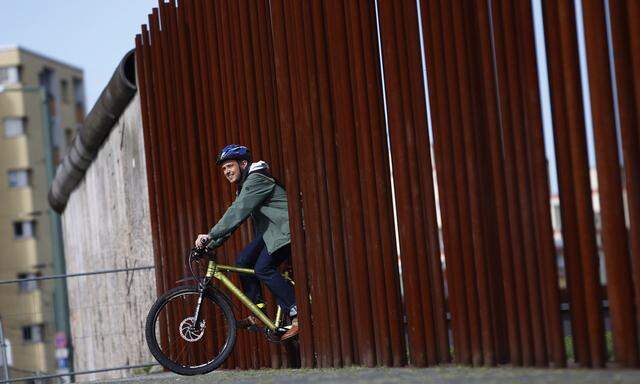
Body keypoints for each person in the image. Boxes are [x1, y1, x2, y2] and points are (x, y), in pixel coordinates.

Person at [195, 144, 298, 340]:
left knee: (263, 269)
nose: (226, 172)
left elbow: (238, 212)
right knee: (243, 261)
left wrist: (210, 234)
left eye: (230, 166)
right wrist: (211, 244)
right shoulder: (245, 185)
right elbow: (235, 220)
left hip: (285, 229)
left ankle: (296, 311)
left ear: (243, 164)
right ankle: (258, 313)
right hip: (272, 231)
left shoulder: (256, 179)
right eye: (224, 169)